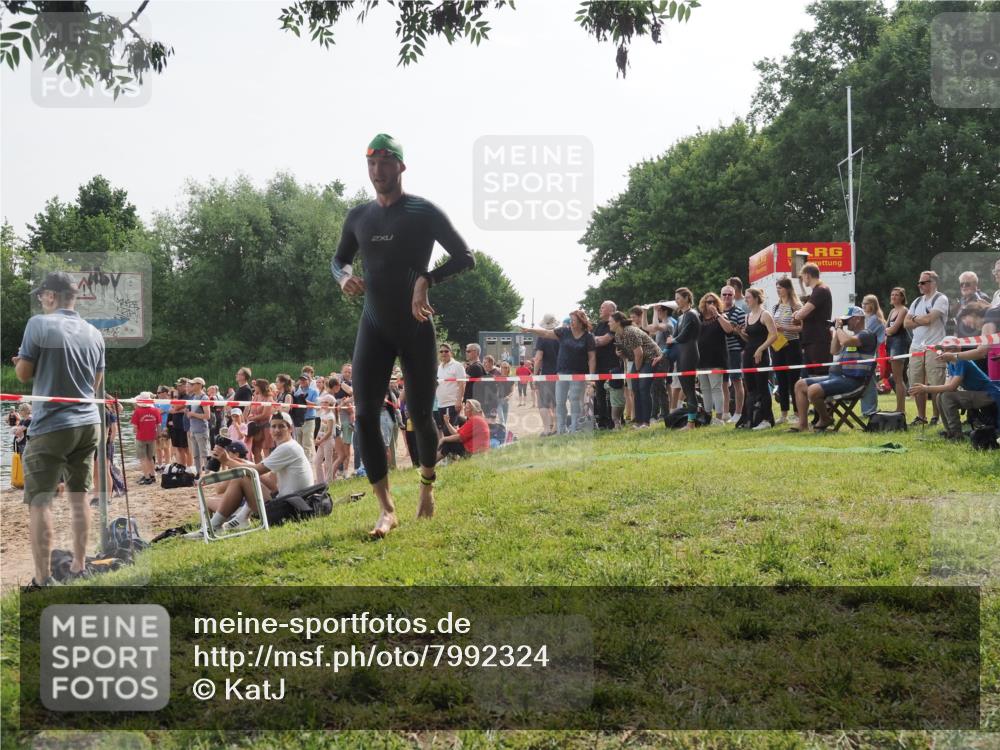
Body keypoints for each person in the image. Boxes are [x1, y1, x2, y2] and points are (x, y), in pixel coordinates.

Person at [332, 133, 474, 537]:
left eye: (385, 163)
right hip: (373, 326)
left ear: (400, 167)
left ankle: (427, 487)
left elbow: (466, 257)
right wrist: (343, 277)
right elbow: (339, 259)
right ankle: (386, 509)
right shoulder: (358, 216)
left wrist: (427, 279)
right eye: (371, 165)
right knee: (363, 416)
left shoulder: (423, 211)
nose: (377, 172)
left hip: (415, 326)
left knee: (422, 415)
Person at [13, 271, 104, 588]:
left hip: (52, 425)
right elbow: (94, 385)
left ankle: (43, 580)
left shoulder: (38, 324)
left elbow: (24, 375)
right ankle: (80, 567)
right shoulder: (95, 333)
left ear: (51, 296)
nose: (40, 300)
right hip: (88, 423)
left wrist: (22, 362)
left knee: (41, 502)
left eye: (41, 296)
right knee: (79, 500)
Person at [208, 412, 316, 530]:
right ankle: (240, 518)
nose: (276, 430)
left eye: (281, 426)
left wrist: (228, 461)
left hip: (288, 509)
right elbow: (271, 482)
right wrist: (245, 463)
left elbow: (255, 471)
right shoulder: (290, 446)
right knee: (247, 475)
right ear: (269, 430)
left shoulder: (287, 448)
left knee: (242, 477)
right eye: (273, 426)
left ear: (290, 429)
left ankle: (214, 526)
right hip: (295, 504)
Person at [791, 306, 877, 432]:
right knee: (800, 384)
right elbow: (834, 350)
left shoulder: (867, 334)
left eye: (848, 319)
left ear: (857, 319)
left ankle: (825, 418)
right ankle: (802, 424)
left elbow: (847, 341)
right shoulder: (849, 336)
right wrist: (837, 330)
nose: (846, 322)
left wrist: (838, 327)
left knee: (813, 390)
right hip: (838, 377)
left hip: (853, 381)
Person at [910, 336, 1000, 441]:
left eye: (944, 349)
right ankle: (950, 432)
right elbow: (948, 387)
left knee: (947, 397)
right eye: (942, 349)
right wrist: (926, 388)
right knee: (940, 396)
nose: (941, 352)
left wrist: (926, 389)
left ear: (954, 350)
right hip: (981, 394)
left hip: (990, 394)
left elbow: (952, 387)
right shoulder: (951, 363)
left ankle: (956, 435)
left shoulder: (962, 361)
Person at [523, 310, 596, 434]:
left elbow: (592, 357)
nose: (571, 323)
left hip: (578, 373)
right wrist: (531, 330)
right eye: (571, 320)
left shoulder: (588, 337)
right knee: (560, 401)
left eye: (573, 320)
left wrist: (591, 377)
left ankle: (575, 428)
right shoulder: (563, 332)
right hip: (561, 373)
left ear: (581, 322)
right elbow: (546, 333)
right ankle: (561, 430)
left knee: (574, 400)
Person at [904, 270, 949, 426]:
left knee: (936, 382)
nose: (920, 285)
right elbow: (905, 323)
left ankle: (937, 416)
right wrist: (919, 319)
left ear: (933, 283)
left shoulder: (940, 298)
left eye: (923, 282)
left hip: (934, 346)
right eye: (919, 282)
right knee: (916, 382)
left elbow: (930, 319)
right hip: (916, 346)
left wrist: (915, 318)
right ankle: (921, 416)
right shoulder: (916, 301)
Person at [608, 310, 660, 428]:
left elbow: (639, 353)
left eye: (610, 322)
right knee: (635, 390)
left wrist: (637, 370)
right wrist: (620, 354)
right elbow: (630, 354)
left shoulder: (630, 331)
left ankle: (646, 422)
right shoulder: (618, 335)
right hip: (639, 361)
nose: (608, 324)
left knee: (643, 389)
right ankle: (638, 421)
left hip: (651, 359)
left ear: (618, 322)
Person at [738, 287, 778, 430]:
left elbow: (774, 335)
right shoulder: (747, 316)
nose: (746, 300)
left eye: (748, 297)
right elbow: (749, 338)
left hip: (761, 355)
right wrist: (740, 333)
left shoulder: (765, 314)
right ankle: (752, 418)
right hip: (748, 354)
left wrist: (761, 349)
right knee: (751, 388)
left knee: (762, 387)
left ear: (755, 298)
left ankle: (767, 419)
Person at [662, 288, 701, 429]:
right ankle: (690, 419)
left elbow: (682, 336)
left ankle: (691, 423)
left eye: (678, 298)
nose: (676, 301)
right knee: (686, 388)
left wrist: (673, 341)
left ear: (686, 298)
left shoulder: (692, 314)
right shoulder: (680, 317)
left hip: (690, 354)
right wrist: (664, 353)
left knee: (689, 389)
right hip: (681, 354)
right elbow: (673, 339)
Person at [771, 277, 803, 425]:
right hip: (778, 346)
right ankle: (783, 413)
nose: (778, 290)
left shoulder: (796, 305)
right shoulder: (775, 307)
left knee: (793, 380)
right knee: (781, 380)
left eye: (781, 287)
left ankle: (797, 412)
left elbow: (801, 328)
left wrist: (784, 328)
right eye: (777, 287)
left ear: (788, 289)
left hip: (792, 345)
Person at [793, 262, 833, 376]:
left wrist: (796, 315)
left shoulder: (821, 290)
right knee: (809, 377)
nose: (802, 279)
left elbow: (801, 314)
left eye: (802, 276)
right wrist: (798, 313)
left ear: (807, 275)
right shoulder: (817, 291)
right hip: (812, 341)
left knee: (819, 376)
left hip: (818, 342)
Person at [696, 292, 729, 425]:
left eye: (713, 302)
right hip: (701, 359)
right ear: (703, 304)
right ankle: (708, 415)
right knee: (705, 388)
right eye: (708, 302)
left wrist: (717, 314)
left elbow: (729, 330)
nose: (710, 304)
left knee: (716, 387)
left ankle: (719, 417)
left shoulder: (721, 316)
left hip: (716, 358)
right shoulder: (699, 318)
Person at [719, 285, 746, 423]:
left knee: (736, 381)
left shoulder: (740, 312)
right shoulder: (717, 311)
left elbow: (744, 334)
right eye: (724, 294)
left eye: (729, 295)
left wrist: (734, 329)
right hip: (720, 352)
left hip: (735, 351)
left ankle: (738, 412)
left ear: (734, 296)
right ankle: (725, 412)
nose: (726, 297)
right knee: (723, 383)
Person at [591, 300, 618, 429]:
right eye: (600, 307)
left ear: (611, 311)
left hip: (611, 364)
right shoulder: (599, 326)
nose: (600, 309)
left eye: (603, 307)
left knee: (611, 395)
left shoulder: (613, 325)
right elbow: (596, 341)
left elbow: (604, 340)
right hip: (599, 365)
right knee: (600, 394)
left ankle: (613, 421)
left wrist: (592, 340)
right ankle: (601, 422)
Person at [884, 287, 911, 414]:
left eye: (897, 295)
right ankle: (899, 408)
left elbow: (893, 329)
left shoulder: (904, 310)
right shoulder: (892, 311)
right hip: (891, 344)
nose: (894, 297)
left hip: (899, 343)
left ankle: (901, 410)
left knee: (898, 379)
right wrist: (887, 331)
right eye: (892, 294)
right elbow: (887, 328)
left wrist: (887, 331)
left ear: (902, 297)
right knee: (895, 378)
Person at [533, 314, 560, 436]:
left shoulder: (542, 338)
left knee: (543, 403)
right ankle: (556, 427)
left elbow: (538, 358)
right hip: (560, 374)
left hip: (547, 374)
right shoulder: (560, 336)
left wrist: (535, 375)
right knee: (556, 403)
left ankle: (547, 429)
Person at [860, 295, 887, 416]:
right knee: (867, 382)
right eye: (863, 303)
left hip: (870, 354)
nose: (863, 306)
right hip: (867, 353)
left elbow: (864, 336)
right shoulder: (868, 318)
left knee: (869, 383)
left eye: (866, 303)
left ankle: (870, 410)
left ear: (873, 305)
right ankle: (867, 410)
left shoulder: (874, 320)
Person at [130, 392, 160, 485]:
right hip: (152, 437)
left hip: (141, 437)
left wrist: (134, 431)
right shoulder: (155, 410)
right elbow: (158, 425)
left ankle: (147, 477)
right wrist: (157, 435)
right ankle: (153, 475)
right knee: (150, 457)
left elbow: (135, 427)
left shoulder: (137, 411)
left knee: (143, 458)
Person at [435, 343, 466, 430]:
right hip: (440, 404)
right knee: (443, 429)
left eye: (446, 351)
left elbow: (462, 383)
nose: (443, 353)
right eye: (441, 351)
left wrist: (459, 401)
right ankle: (465, 422)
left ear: (451, 352)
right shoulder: (439, 367)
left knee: (449, 431)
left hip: (452, 403)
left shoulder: (457, 365)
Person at [293, 372, 320, 466]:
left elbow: (317, 405)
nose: (302, 381)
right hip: (298, 420)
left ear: (309, 380)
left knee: (307, 445)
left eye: (305, 379)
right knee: (298, 444)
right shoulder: (297, 392)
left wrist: (304, 401)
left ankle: (307, 464)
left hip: (309, 419)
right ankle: (300, 464)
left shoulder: (314, 391)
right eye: (301, 379)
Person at [186, 377, 212, 474]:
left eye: (193, 384)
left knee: (204, 453)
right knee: (196, 455)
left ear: (200, 385)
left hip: (201, 430)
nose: (191, 386)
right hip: (193, 429)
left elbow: (207, 415)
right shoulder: (193, 397)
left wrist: (193, 414)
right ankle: (198, 473)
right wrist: (189, 414)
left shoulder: (204, 397)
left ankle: (207, 473)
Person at [246, 378, 274, 463]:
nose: (254, 387)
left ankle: (270, 472)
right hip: (255, 427)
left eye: (256, 386)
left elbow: (266, 415)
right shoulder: (256, 396)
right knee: (255, 450)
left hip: (265, 427)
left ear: (260, 386)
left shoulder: (269, 398)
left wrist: (252, 418)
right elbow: (251, 409)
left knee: (266, 450)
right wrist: (250, 416)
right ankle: (259, 471)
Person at [496, 361, 514, 427]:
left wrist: (508, 397)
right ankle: (502, 433)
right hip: (498, 400)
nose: (504, 369)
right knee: (501, 419)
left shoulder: (511, 379)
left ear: (508, 368)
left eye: (506, 367)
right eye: (502, 367)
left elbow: (512, 391)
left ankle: (503, 434)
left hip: (506, 401)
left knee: (505, 420)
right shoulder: (497, 378)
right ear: (500, 368)